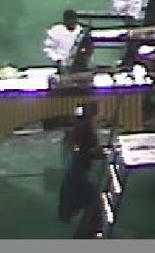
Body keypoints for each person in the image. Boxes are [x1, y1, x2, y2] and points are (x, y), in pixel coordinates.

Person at [58, 101, 105, 237]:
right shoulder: (85, 127)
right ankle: (88, 236)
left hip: (78, 172)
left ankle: (87, 235)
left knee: (93, 207)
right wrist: (100, 154)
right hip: (78, 175)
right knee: (94, 206)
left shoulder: (83, 125)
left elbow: (86, 150)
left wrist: (99, 152)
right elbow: (84, 152)